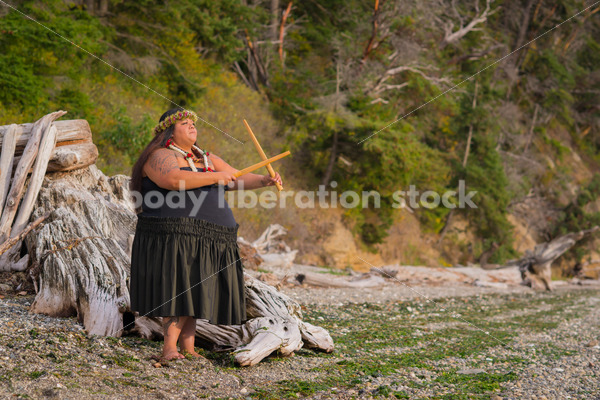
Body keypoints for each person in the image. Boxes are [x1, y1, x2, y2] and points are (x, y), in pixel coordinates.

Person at [129, 108, 282, 361]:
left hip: (211, 236)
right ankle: (169, 349)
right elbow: (172, 179)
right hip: (176, 234)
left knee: (196, 290)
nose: (192, 127)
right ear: (169, 130)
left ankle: (188, 349)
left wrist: (264, 180)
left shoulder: (207, 158)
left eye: (193, 123)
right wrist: (215, 176)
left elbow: (234, 178)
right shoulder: (160, 155)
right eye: (185, 123)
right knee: (178, 289)